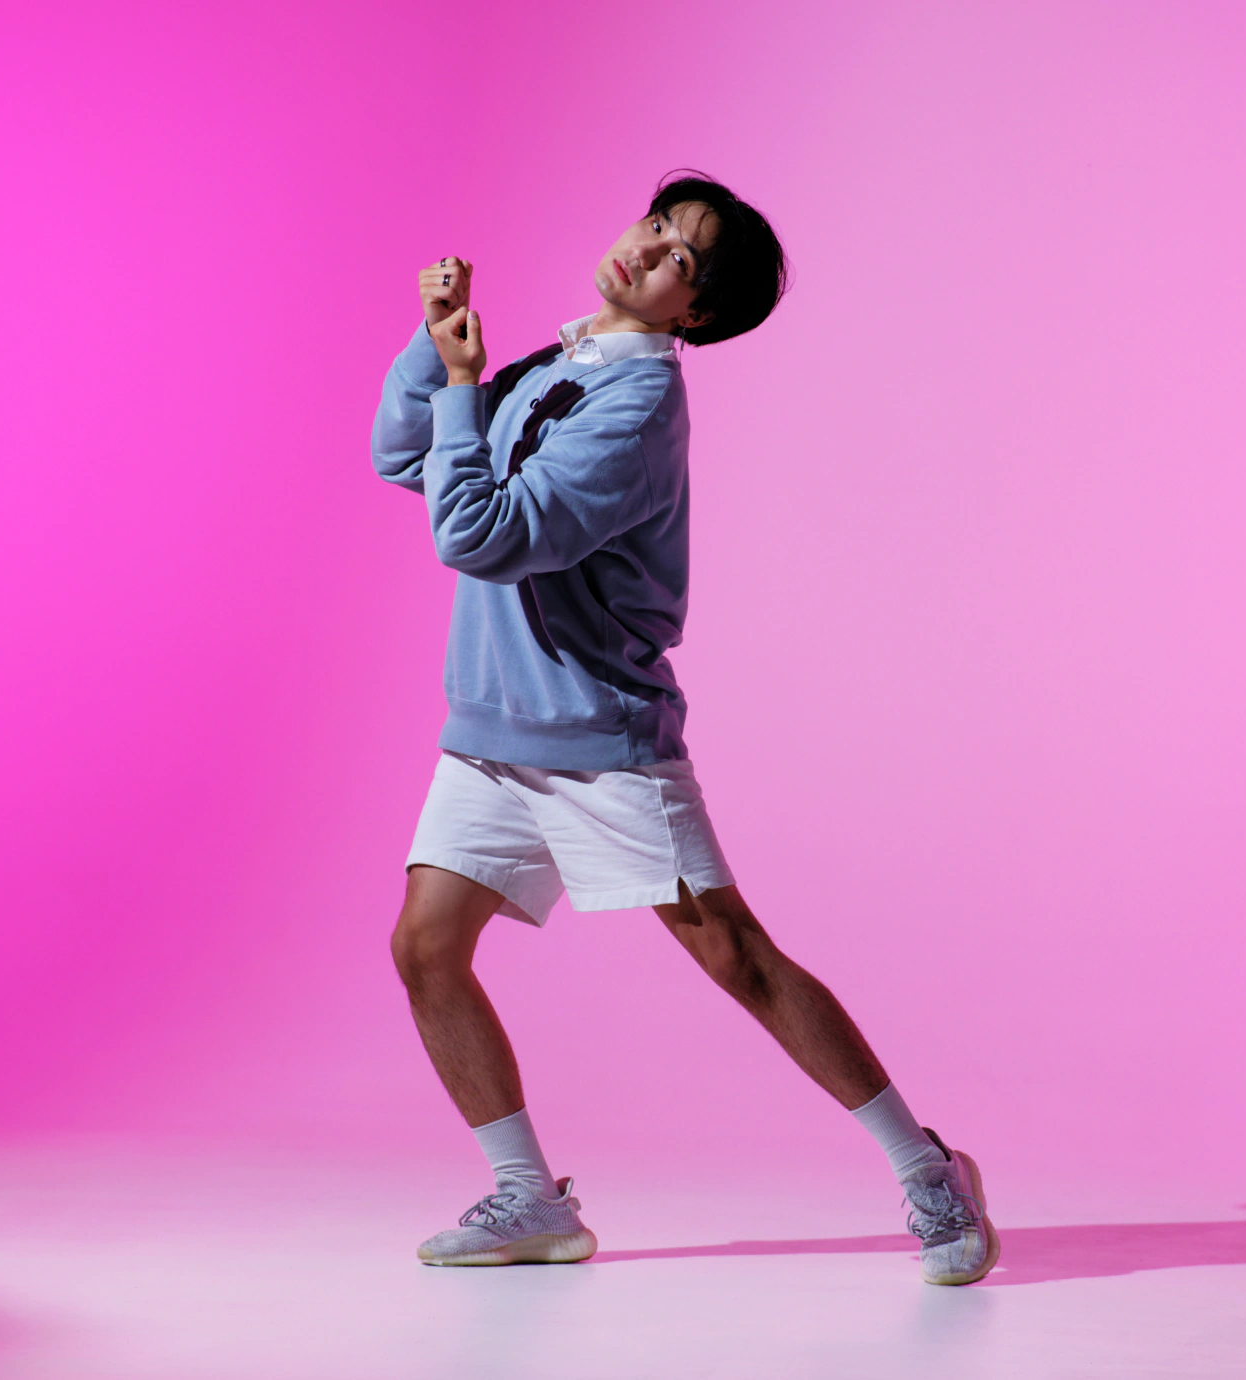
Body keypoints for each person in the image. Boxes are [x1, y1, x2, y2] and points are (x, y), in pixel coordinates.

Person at [369, 172, 996, 1285]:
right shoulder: (558, 366)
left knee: (735, 956)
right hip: (492, 730)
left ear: (694, 313)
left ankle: (930, 1170)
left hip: (596, 733)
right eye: (658, 226)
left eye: (681, 262)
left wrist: (467, 386)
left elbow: (480, 536)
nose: (649, 251)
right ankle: (529, 1201)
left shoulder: (636, 407)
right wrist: (436, 352)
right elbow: (406, 460)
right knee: (425, 947)